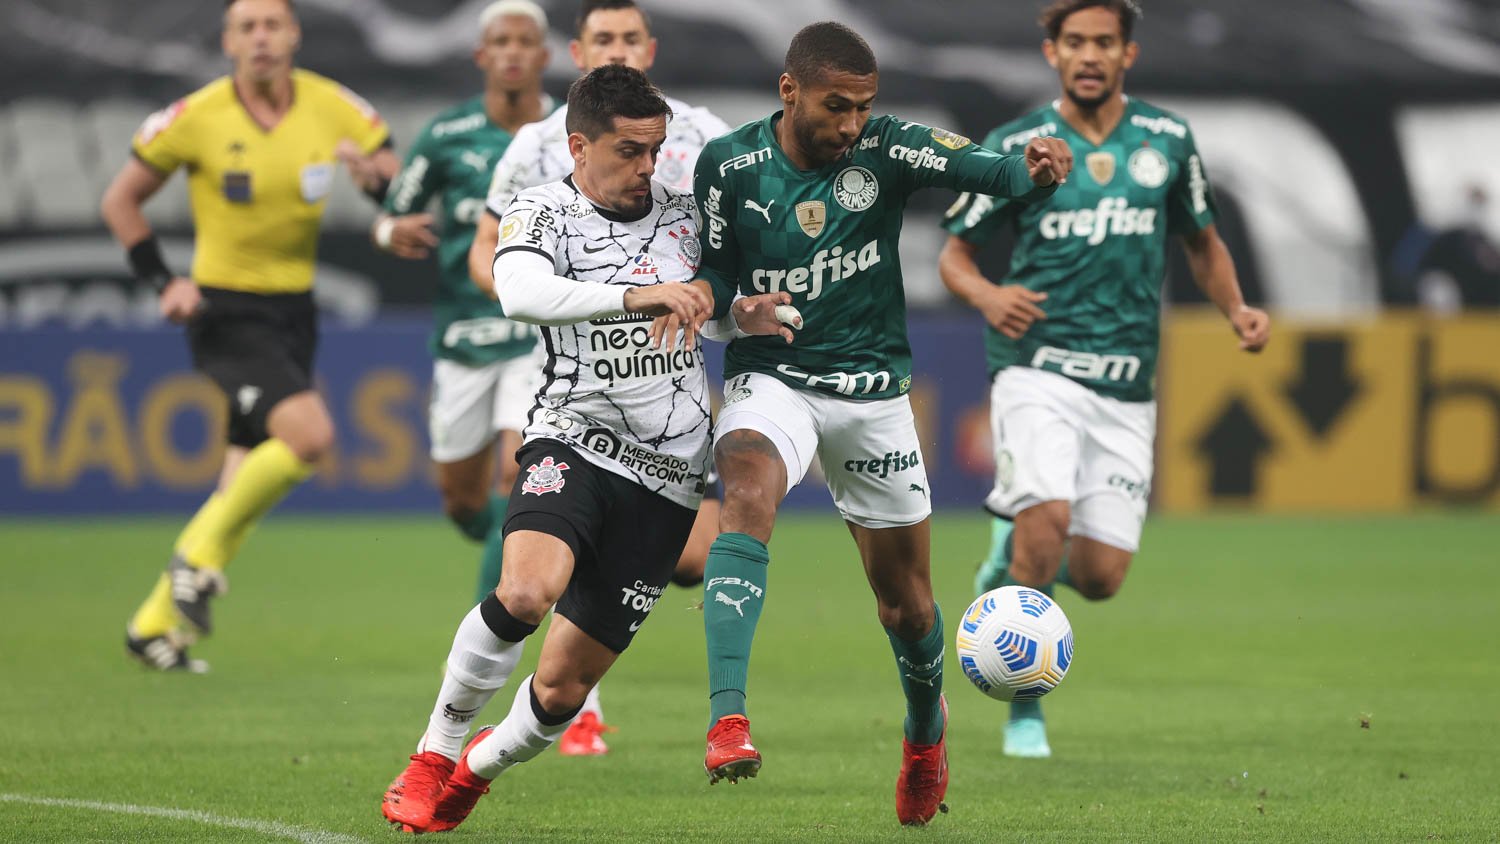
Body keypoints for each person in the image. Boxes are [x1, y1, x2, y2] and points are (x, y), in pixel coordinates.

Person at [378, 65, 791, 835]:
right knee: (528, 593)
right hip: (572, 438)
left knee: (562, 691)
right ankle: (434, 752)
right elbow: (521, 293)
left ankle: (474, 773)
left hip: (669, 478)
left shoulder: (684, 218)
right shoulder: (543, 211)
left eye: (657, 149)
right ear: (579, 145)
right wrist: (639, 295)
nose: (649, 167)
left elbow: (708, 310)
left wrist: (744, 314)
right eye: (631, 151)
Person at [685, 21, 1071, 827]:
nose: (852, 124)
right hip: (773, 374)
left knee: (908, 607)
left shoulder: (888, 148)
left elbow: (986, 169)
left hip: (870, 391)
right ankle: (728, 718)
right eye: (837, 106)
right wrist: (733, 306)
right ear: (789, 91)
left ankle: (926, 737)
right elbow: (711, 281)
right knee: (746, 486)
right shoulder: (728, 167)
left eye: (864, 107)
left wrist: (1032, 174)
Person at [939, 0, 1271, 759]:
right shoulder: (1017, 144)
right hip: (1038, 368)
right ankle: (1025, 708)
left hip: (1126, 386)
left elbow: (1204, 243)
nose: (1090, 55)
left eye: (1105, 43)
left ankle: (1006, 553)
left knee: (1099, 578)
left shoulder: (1166, 139)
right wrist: (988, 295)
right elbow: (955, 252)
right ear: (1052, 52)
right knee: (1045, 530)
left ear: (1129, 53)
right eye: (1076, 42)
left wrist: (1238, 309)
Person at [464, 0, 732, 756]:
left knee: (694, 562)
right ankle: (495, 700)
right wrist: (554, 304)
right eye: (603, 38)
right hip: (561, 354)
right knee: (527, 562)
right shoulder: (537, 152)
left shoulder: (699, 138)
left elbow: (723, 263)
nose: (618, 49)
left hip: (666, 381)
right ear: (579, 51)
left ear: (652, 48)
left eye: (629, 38)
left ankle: (560, 676)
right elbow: (493, 252)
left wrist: (739, 307)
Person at [102, 0, 398, 672]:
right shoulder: (197, 116)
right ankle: (194, 561)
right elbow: (119, 201)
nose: (261, 38)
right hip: (226, 310)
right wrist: (163, 281)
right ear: (229, 41)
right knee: (311, 437)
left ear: (293, 34)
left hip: (296, 312)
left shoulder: (335, 108)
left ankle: (151, 624)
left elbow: (393, 184)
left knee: (237, 485)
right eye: (247, 28)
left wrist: (376, 184)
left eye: (272, 25)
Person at [371, 0, 554, 616]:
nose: (511, 52)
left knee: (516, 475)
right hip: (460, 335)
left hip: (537, 333)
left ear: (545, 56)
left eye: (524, 41)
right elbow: (394, 211)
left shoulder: (567, 134)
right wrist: (385, 234)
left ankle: (489, 636)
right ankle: (526, 551)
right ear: (482, 56)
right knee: (463, 499)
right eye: (500, 41)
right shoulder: (447, 134)